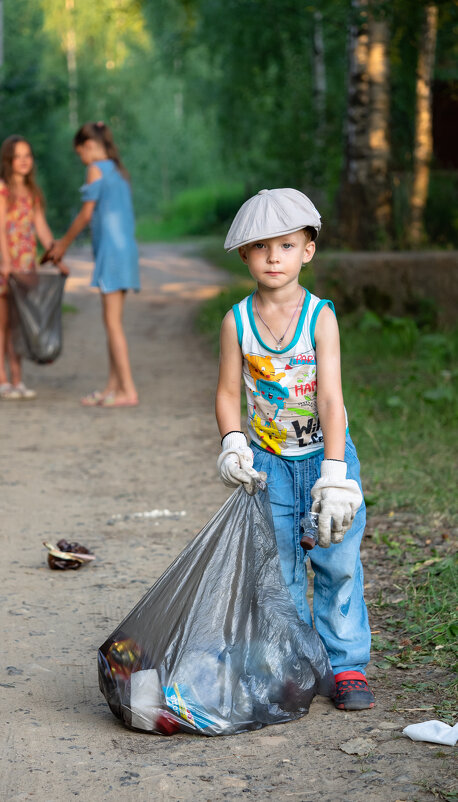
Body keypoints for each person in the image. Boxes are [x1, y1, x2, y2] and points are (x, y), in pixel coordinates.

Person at [215, 188, 374, 711]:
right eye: (261, 248)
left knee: (337, 560)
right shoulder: (236, 322)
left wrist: (335, 472)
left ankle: (346, 664)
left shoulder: (319, 317)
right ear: (245, 255)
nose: (274, 257)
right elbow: (226, 393)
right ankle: (296, 662)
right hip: (271, 467)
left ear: (308, 249)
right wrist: (233, 442)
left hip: (326, 461)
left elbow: (330, 397)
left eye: (286, 245)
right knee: (279, 568)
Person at [48, 121, 139, 408]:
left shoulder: (96, 168)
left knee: (112, 324)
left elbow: (86, 215)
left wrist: (62, 244)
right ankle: (113, 387)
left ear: (88, 146)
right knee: (113, 321)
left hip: (111, 254)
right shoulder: (119, 170)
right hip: (125, 252)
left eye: (80, 154)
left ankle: (128, 390)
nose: (82, 161)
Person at [0, 135, 55, 400]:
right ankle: (2, 381)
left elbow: (41, 227)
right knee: (1, 321)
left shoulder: (32, 192)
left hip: (23, 264)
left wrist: (56, 255)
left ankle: (18, 380)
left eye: (28, 156)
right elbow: (0, 227)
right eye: (18, 156)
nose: (24, 161)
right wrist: (6, 262)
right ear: (8, 160)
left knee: (19, 323)